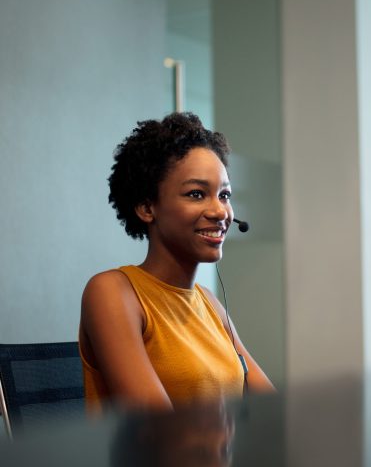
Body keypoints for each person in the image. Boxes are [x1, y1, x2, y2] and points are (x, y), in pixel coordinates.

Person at [79, 112, 274, 412]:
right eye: (196, 194)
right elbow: (164, 432)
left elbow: (272, 409)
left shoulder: (209, 303)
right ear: (147, 207)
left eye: (224, 195)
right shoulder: (112, 293)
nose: (220, 211)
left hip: (224, 459)